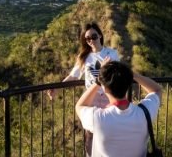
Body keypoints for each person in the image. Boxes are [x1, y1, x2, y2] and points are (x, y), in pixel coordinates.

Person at [48, 22, 120, 155]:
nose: (91, 40)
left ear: (100, 35)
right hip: (91, 100)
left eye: (93, 36)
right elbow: (73, 76)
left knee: (109, 134)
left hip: (108, 98)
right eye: (87, 39)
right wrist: (57, 88)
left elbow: (119, 76)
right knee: (90, 134)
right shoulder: (84, 57)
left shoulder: (112, 53)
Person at [75, 61, 162, 157]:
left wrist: (98, 81)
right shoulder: (145, 113)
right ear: (129, 83)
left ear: (104, 88)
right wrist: (133, 75)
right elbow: (157, 90)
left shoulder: (97, 118)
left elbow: (80, 106)